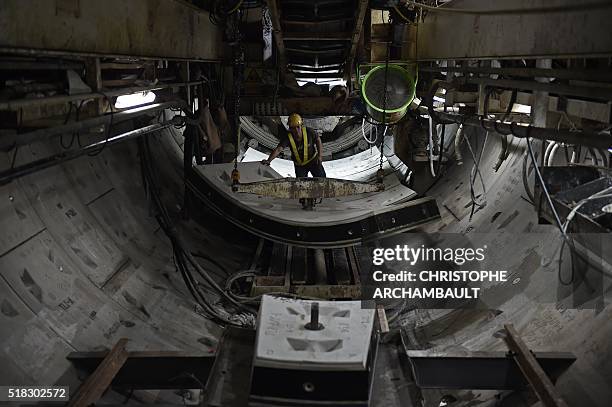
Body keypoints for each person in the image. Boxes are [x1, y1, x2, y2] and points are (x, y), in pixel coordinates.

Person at [261, 113, 326, 178]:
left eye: (298, 127)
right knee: (301, 184)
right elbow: (278, 149)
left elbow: (318, 140)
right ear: (290, 129)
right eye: (293, 128)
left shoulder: (309, 132)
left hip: (313, 161)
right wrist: (269, 160)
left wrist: (320, 156)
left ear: (301, 125)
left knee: (322, 179)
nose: (296, 131)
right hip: (300, 166)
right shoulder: (287, 137)